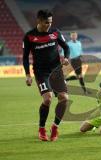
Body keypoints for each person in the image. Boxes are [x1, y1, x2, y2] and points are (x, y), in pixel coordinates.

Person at [23, 9, 70, 141]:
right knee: (48, 99)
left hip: (56, 71)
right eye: (46, 22)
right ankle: (41, 128)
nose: (48, 25)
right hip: (41, 72)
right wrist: (27, 75)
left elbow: (66, 47)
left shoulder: (55, 32)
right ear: (38, 21)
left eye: (50, 22)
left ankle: (55, 127)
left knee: (64, 98)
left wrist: (66, 57)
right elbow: (25, 57)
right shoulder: (29, 36)